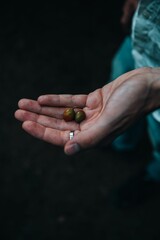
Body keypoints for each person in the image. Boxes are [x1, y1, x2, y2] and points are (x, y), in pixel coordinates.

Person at [15, 0, 160, 207]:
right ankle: (122, 143)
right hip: (143, 35)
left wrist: (155, 87)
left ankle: (155, 172)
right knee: (119, 77)